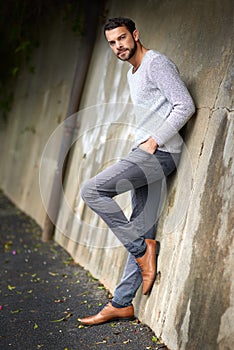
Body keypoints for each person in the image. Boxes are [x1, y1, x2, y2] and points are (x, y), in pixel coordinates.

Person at [79, 17, 195, 325]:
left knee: (92, 190)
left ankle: (142, 250)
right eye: (112, 42)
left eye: (122, 38)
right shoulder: (134, 72)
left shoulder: (156, 63)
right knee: (141, 224)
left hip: (159, 153)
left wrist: (154, 141)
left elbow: (185, 105)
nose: (118, 45)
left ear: (136, 34)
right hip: (145, 153)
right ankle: (121, 303)